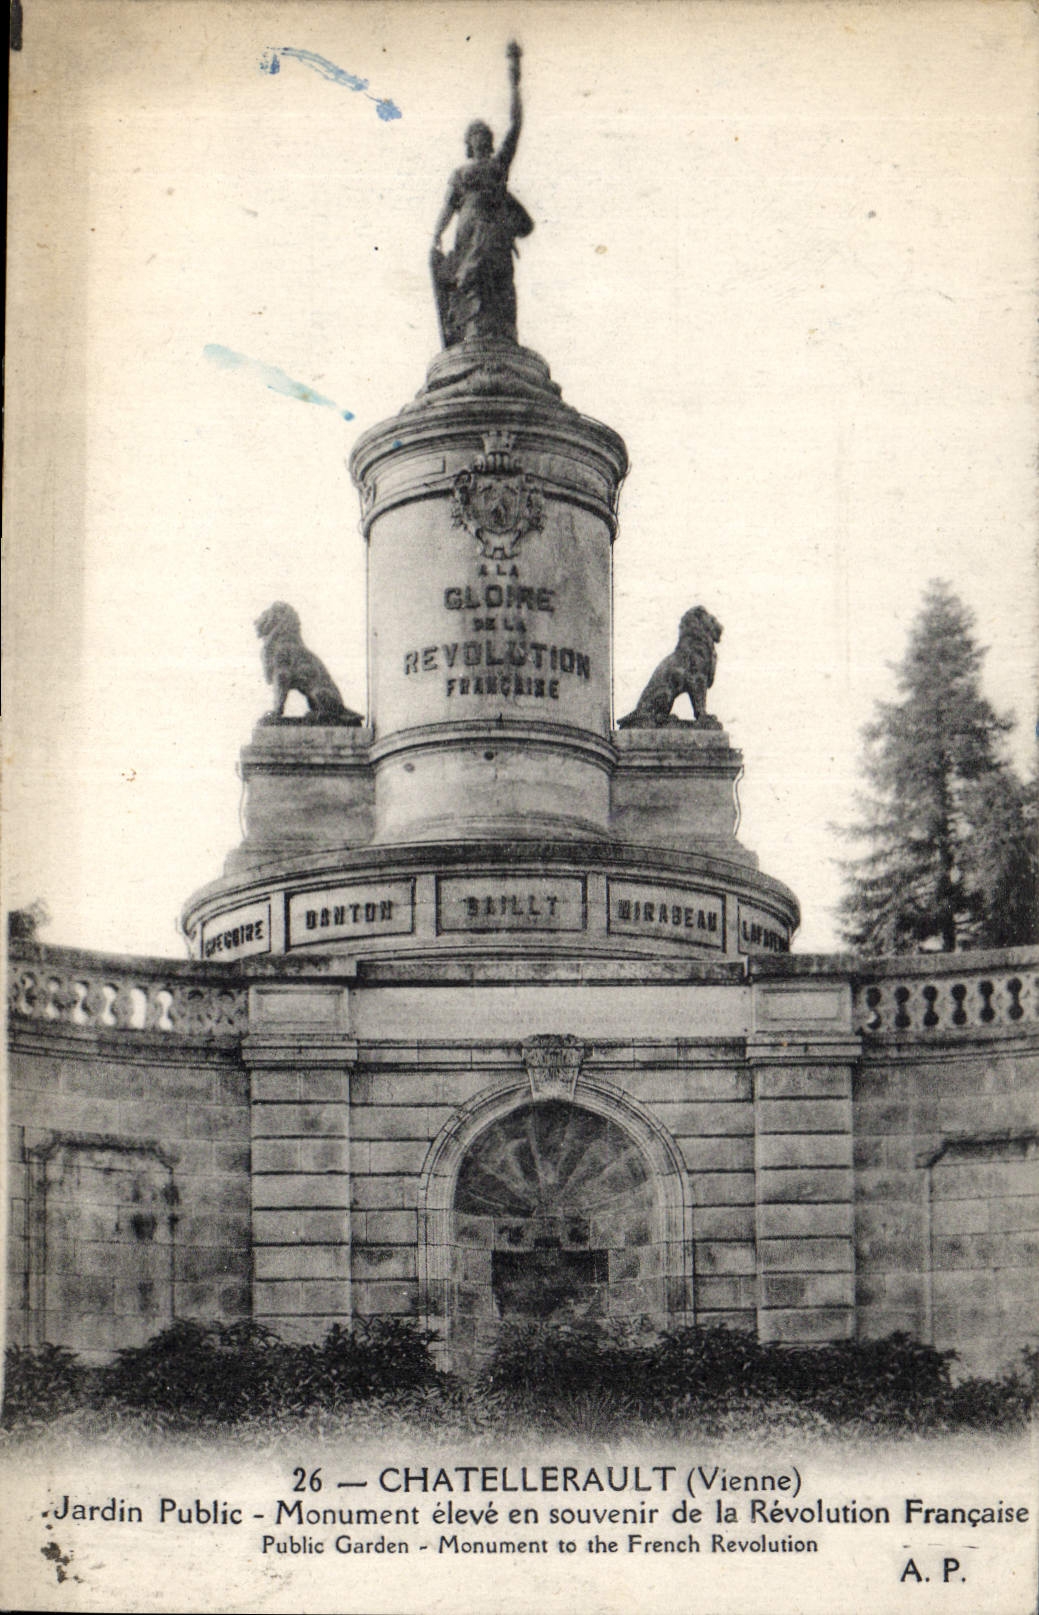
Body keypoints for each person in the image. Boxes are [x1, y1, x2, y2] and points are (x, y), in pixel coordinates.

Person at [431, 42, 533, 346]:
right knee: (470, 280)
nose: (482, 139)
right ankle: (474, 334)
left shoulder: (499, 164)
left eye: (486, 135)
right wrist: (437, 232)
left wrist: (514, 79)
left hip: (493, 231)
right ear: (469, 143)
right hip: (467, 231)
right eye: (476, 136)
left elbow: (516, 125)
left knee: (498, 279)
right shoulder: (461, 173)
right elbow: (448, 206)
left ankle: (500, 334)